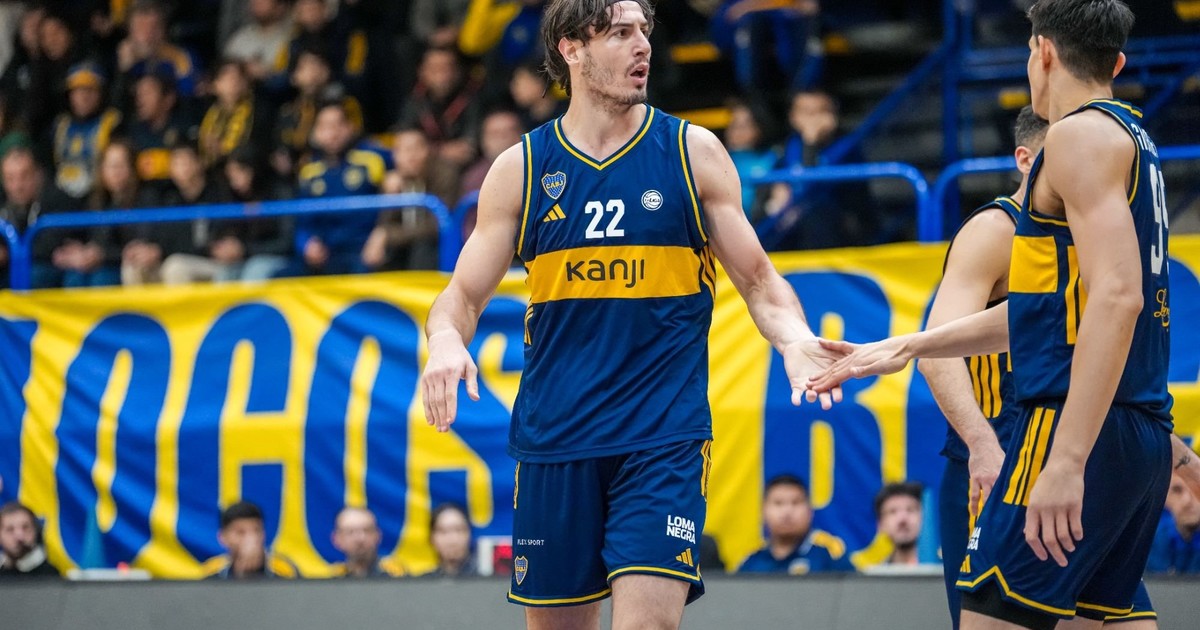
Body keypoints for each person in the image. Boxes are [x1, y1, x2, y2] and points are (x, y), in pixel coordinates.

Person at [419, 2, 837, 627]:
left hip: (661, 436)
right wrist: (447, 340)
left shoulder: (691, 151)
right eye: (620, 33)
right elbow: (461, 297)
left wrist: (795, 338)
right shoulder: (522, 167)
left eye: (644, 31)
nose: (642, 45)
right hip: (556, 437)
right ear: (571, 49)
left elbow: (759, 281)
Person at [808, 1, 1174, 627]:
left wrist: (1066, 458)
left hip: (1068, 427)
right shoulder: (1135, 138)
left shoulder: (1076, 135)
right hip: (1137, 431)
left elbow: (1118, 299)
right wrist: (908, 345)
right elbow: (1057, 311)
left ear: (1043, 52)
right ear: (1115, 62)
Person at [918, 105, 1047, 629]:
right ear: (1026, 159)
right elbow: (935, 352)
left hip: (1067, 461)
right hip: (997, 464)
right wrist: (982, 445)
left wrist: (1178, 459)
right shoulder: (996, 230)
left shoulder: (1086, 236)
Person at [737, 474, 853, 575]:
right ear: (763, 512)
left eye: (796, 503)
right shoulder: (751, 563)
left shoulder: (829, 558)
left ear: (810, 511)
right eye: (778, 503)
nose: (787, 512)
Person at [203, 501, 299, 579]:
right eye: (240, 533)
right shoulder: (213, 570)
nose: (251, 539)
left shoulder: (284, 568)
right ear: (222, 537)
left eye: (256, 531)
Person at [869, 482, 936, 568]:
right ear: (880, 524)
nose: (902, 519)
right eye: (892, 512)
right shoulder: (875, 574)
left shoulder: (946, 570)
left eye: (910, 510)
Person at [329, 507, 406, 578]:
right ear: (337, 539)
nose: (360, 538)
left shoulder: (395, 576)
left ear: (378, 536)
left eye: (367, 531)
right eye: (350, 532)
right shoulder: (334, 580)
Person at [0, 502, 60, 579]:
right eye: (10, 529)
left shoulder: (51, 575)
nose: (19, 536)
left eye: (25, 527)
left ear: (35, 531)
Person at [425, 503, 480, 578]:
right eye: (443, 531)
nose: (452, 540)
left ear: (469, 534)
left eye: (458, 530)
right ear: (431, 538)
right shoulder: (423, 582)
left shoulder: (486, 579)